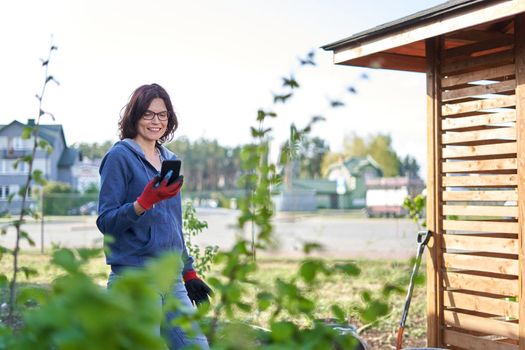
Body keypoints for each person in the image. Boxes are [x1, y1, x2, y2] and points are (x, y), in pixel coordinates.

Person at [96, 83, 211, 349]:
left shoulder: (169, 159)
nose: (156, 121)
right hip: (135, 277)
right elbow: (106, 222)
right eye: (148, 114)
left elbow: (173, 225)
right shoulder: (119, 157)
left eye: (162, 114)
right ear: (134, 116)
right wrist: (142, 203)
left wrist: (189, 271)